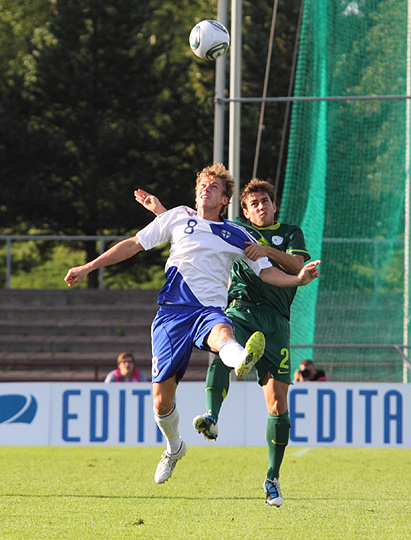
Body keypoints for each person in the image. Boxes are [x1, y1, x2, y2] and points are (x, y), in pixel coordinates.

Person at [65, 163, 320, 486]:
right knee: (161, 401)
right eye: (202, 184)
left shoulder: (237, 234)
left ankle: (241, 358)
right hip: (172, 314)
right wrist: (88, 266)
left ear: (225, 198)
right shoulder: (177, 216)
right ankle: (174, 447)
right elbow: (132, 245)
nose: (205, 189)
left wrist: (299, 278)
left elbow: (268, 273)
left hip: (209, 311)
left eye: (213, 186)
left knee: (224, 333)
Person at [135, 177, 315, 506]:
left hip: (277, 323)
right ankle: (211, 416)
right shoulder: (232, 231)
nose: (261, 207)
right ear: (243, 211)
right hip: (241, 311)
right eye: (254, 204)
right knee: (225, 346)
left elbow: (297, 265)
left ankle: (272, 477)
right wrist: (160, 211)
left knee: (278, 406)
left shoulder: (289, 234)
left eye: (265, 202)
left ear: (275, 206)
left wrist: (268, 251)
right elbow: (193, 227)